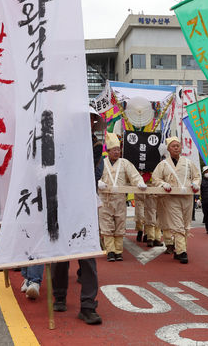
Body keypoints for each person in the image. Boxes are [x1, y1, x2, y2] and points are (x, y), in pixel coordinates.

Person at [52, 111, 103, 325]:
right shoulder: (59, 142)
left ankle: (88, 305)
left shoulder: (95, 146)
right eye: (86, 118)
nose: (90, 122)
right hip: (61, 202)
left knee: (88, 255)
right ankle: (60, 295)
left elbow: (90, 170)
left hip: (84, 205)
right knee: (60, 254)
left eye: (92, 119)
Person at [151, 137, 201, 264]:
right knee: (178, 225)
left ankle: (180, 249)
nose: (176, 147)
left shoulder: (189, 163)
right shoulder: (163, 164)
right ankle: (182, 252)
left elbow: (196, 176)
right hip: (171, 198)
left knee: (185, 225)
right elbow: (155, 178)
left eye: (178, 145)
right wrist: (163, 184)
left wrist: (195, 183)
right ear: (168, 149)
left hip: (187, 198)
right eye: (173, 146)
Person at [97, 133, 146, 262]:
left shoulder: (125, 163)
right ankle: (110, 251)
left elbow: (134, 175)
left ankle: (118, 251)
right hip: (105, 199)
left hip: (119, 199)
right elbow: (94, 175)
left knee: (120, 224)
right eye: (114, 150)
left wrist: (139, 182)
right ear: (108, 151)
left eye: (118, 150)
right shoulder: (101, 162)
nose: (117, 152)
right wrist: (97, 182)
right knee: (106, 225)